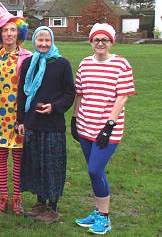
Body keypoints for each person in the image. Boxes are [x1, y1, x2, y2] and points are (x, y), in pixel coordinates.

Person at [73, 23, 134, 235]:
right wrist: (74, 119)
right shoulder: (84, 64)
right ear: (91, 42)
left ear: (111, 42)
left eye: (104, 40)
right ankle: (98, 211)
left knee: (94, 169)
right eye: (96, 40)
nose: (100, 43)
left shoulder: (121, 64)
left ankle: (105, 218)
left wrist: (109, 125)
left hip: (107, 129)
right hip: (84, 126)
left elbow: (123, 96)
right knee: (92, 172)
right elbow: (79, 93)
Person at [16, 26, 75, 222]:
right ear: (34, 41)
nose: (43, 44)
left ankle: (53, 206)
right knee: (36, 165)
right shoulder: (27, 63)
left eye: (47, 41)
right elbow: (22, 93)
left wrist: (54, 107)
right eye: (40, 40)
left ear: (52, 42)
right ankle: (40, 203)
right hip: (33, 123)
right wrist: (21, 120)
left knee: (52, 165)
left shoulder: (62, 64)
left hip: (53, 125)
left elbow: (69, 93)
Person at [0, 4, 33, 216]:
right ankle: (3, 198)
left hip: (19, 117)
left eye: (12, 30)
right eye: (5, 30)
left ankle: (17, 199)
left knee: (18, 161)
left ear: (19, 33)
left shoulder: (28, 57)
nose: (9, 33)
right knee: (1, 159)